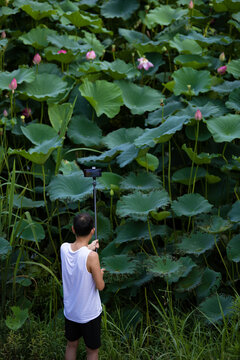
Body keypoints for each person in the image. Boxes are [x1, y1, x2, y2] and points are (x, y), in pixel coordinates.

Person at [60, 212, 105, 360]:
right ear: (93, 231)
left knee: (71, 345)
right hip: (89, 315)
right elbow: (100, 286)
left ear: (73, 229)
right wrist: (100, 274)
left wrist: (89, 247)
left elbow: (78, 253)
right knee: (92, 351)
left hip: (71, 311)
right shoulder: (92, 257)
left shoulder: (64, 248)